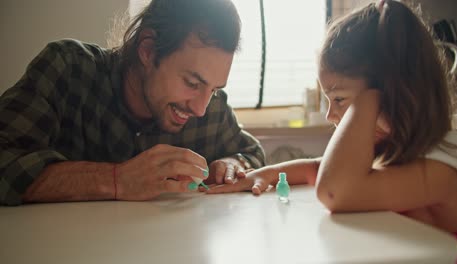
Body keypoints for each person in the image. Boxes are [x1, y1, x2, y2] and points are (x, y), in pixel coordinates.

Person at [206, 0, 457, 261]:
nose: (331, 115)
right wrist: (265, 174)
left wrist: (370, 99)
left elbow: (334, 192)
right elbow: (315, 169)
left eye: (339, 100)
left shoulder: (446, 161)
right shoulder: (388, 148)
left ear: (391, 92)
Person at [0, 0, 265, 206]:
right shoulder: (67, 70)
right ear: (147, 50)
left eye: (214, 89)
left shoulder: (211, 110)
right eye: (192, 83)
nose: (200, 108)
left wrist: (233, 163)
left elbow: (251, 153)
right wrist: (115, 179)